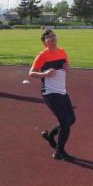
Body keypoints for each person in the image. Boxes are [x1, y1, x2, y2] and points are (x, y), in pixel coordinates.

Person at [29, 28, 76, 161]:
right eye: (49, 37)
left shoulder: (62, 52)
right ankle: (58, 152)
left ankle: (50, 136)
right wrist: (44, 74)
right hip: (50, 93)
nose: (53, 38)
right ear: (45, 42)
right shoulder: (42, 56)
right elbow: (31, 73)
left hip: (62, 91)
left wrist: (67, 68)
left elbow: (66, 68)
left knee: (71, 120)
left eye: (54, 36)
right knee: (65, 123)